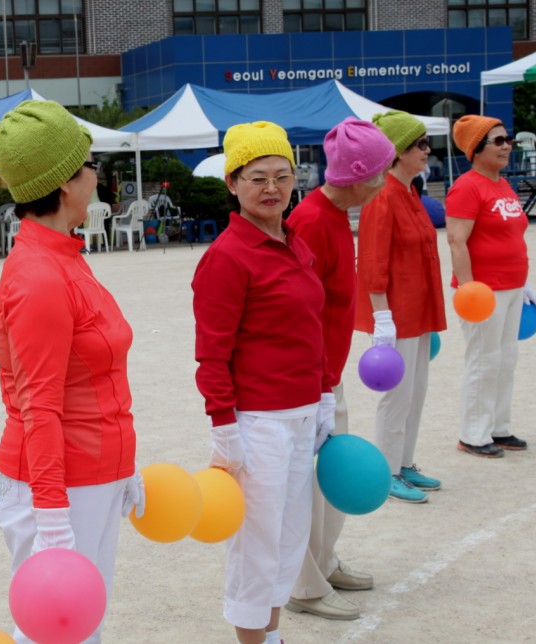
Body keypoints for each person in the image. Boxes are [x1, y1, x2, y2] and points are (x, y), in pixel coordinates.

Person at [0, 100, 144, 644]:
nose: (97, 175)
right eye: (90, 164)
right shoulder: (39, 275)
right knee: (57, 634)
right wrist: (51, 515)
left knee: (83, 629)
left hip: (90, 477)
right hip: (60, 484)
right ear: (64, 182)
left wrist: (122, 465)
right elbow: (40, 404)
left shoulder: (63, 256)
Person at [192, 121, 325, 644]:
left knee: (289, 538)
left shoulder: (294, 241)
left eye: (282, 176)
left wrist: (322, 393)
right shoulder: (226, 256)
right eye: (257, 177)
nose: (272, 188)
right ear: (232, 183)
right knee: (257, 545)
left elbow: (311, 326)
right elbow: (211, 354)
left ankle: (271, 635)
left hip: (302, 415)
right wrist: (223, 427)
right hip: (259, 423)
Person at [284, 117, 396, 621]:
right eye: (379, 174)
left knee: (329, 479)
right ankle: (303, 582)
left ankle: (324, 561)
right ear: (357, 176)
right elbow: (299, 311)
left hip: (328, 372)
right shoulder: (311, 221)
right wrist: (319, 384)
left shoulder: (336, 216)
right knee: (308, 485)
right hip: (310, 376)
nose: (383, 183)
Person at [356, 111, 448, 503]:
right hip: (398, 313)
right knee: (396, 396)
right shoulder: (382, 196)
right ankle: (387, 469)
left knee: (416, 392)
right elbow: (373, 262)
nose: (428, 150)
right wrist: (382, 318)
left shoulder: (410, 192)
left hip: (419, 310)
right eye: (420, 144)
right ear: (397, 152)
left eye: (427, 143)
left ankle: (404, 461)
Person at [445, 115, 536, 457]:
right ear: (476, 149)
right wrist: (468, 289)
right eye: (498, 141)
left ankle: (499, 427)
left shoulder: (502, 185)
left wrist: (523, 282)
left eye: (508, 139)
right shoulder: (467, 187)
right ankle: (473, 434)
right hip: (483, 291)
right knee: (484, 360)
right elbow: (456, 240)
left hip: (512, 287)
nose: (507, 146)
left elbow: (510, 236)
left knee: (505, 359)